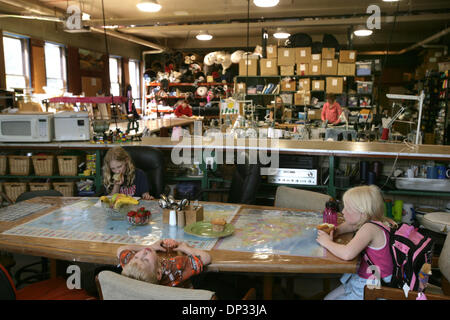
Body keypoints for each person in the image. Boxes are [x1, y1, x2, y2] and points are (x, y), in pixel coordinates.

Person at [316, 185, 395, 300]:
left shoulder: (369, 229)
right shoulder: (380, 221)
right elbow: (350, 226)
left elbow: (347, 254)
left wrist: (327, 242)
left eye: (347, 208)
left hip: (371, 288)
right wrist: (336, 231)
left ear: (363, 213)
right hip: (368, 280)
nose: (342, 211)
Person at [118, 239, 211, 287]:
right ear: (158, 273)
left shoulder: (131, 268)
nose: (143, 252)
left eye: (136, 256)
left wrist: (150, 247)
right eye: (146, 260)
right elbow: (206, 258)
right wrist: (184, 247)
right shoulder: (173, 267)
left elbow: (120, 250)